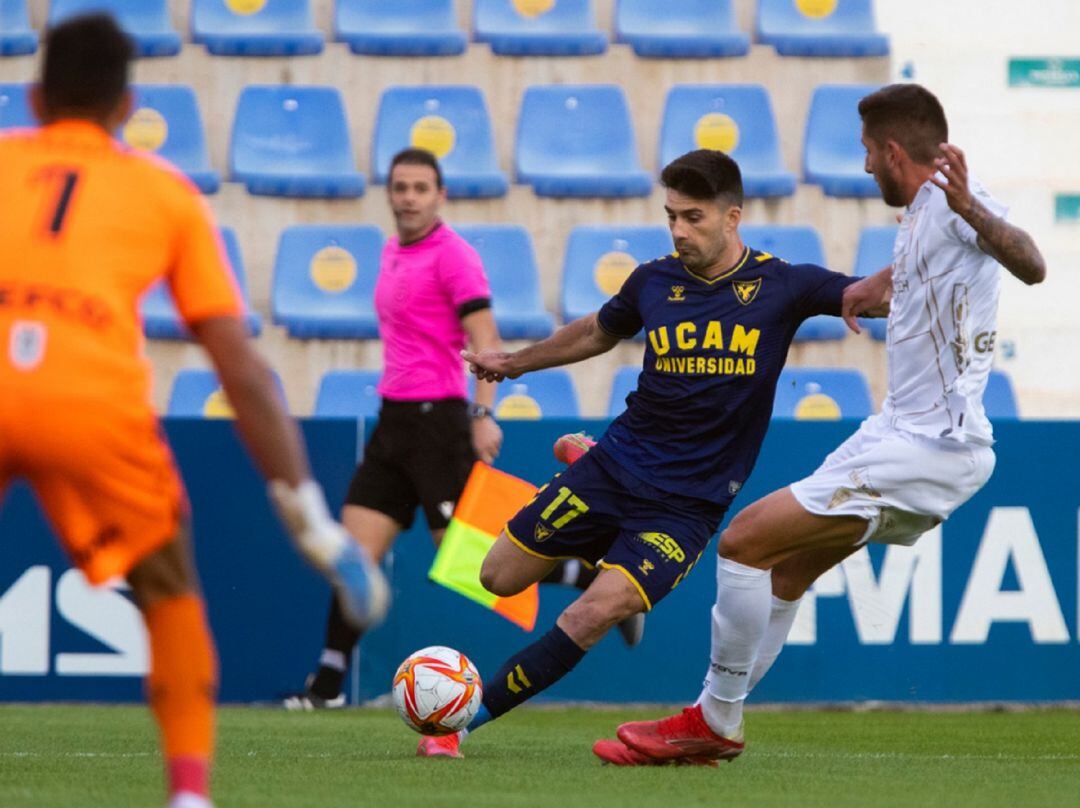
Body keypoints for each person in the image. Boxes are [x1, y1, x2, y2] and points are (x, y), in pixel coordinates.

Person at [0, 14, 388, 808]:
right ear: (125, 107)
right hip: (92, 400)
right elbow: (240, 369)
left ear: (34, 100)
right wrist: (308, 514)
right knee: (169, 586)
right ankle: (187, 795)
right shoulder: (162, 193)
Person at [608, 83, 1047, 766]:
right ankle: (712, 722)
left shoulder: (958, 203)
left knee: (744, 541)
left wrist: (973, 211)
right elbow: (931, 275)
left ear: (894, 150)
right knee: (788, 572)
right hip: (900, 434)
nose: (866, 166)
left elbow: (1031, 262)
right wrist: (878, 285)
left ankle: (714, 721)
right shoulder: (922, 215)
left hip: (931, 446)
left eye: (870, 152)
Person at [416, 147, 877, 759]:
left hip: (685, 507)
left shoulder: (783, 286)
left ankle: (458, 727)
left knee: (588, 617)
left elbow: (869, 294)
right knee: (495, 576)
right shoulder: (653, 281)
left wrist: (923, 254)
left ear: (732, 216)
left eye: (694, 218)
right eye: (671, 218)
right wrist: (514, 363)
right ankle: (596, 539)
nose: (680, 232)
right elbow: (594, 333)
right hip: (616, 466)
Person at [283, 148, 642, 711]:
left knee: (476, 565)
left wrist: (482, 414)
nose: (408, 197)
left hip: (440, 421)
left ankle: (585, 573)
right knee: (352, 557)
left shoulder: (454, 257)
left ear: (440, 195)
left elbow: (485, 337)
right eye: (400, 186)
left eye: (420, 188)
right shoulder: (390, 253)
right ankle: (325, 688)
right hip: (393, 422)